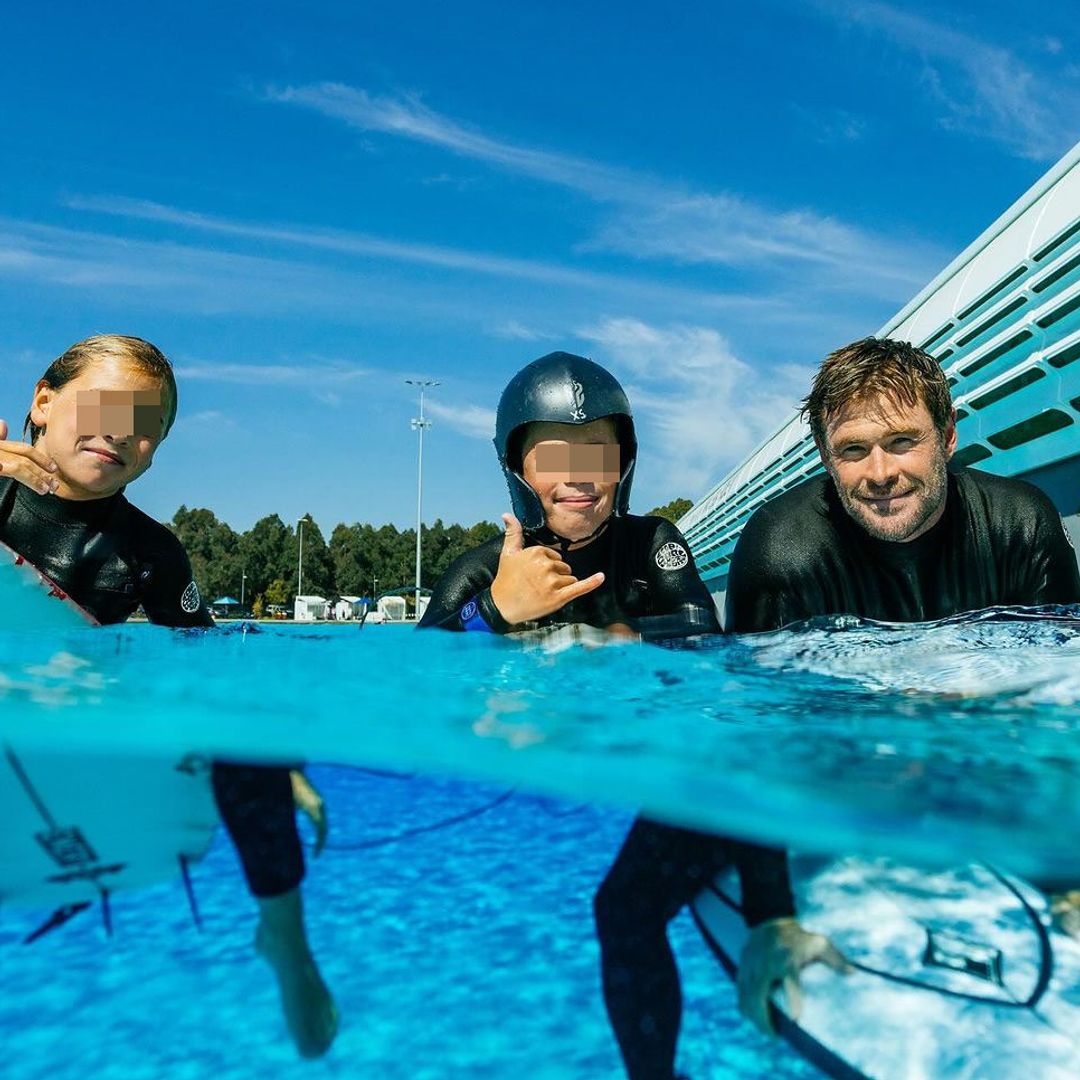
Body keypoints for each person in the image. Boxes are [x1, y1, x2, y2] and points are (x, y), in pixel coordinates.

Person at [597, 335, 1080, 1077]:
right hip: (811, 751)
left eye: (902, 442)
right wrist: (773, 916)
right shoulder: (784, 549)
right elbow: (758, 742)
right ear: (824, 457)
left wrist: (1065, 872)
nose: (881, 472)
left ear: (948, 438)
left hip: (963, 745)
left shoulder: (1022, 525)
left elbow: (1054, 715)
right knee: (622, 908)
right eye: (853, 450)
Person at [0, 334, 337, 1058]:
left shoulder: (151, 554)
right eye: (105, 405)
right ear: (42, 401)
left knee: (245, 706)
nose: (124, 430)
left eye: (149, 424)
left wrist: (285, 763)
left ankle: (283, 930)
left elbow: (209, 673)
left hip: (77, 743)